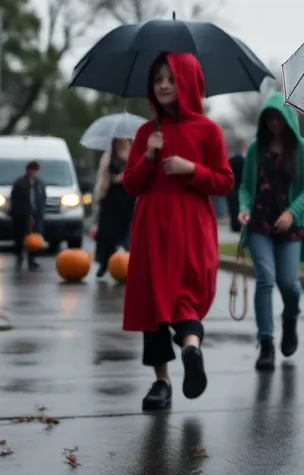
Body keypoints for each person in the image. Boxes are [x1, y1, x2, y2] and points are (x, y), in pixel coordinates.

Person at [122, 52, 235, 412]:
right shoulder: (145, 132)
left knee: (185, 292)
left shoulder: (208, 130)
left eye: (171, 77)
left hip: (190, 227)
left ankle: (190, 350)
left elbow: (224, 182)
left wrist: (192, 169)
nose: (164, 85)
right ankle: (161, 381)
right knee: (153, 300)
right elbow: (130, 184)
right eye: (158, 79)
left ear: (188, 81)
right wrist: (148, 158)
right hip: (151, 226)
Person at [236, 92, 304, 371]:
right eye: (269, 119)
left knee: (289, 285)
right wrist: (244, 207)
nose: (274, 124)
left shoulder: (302, 148)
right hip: (259, 226)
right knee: (265, 280)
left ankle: (290, 320)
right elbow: (245, 187)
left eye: (279, 118)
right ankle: (266, 342)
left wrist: (290, 213)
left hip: (288, 228)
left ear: (288, 119)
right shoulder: (256, 149)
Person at [92, 137, 135, 278]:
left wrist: (126, 176)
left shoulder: (134, 154)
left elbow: (139, 173)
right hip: (111, 197)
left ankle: (129, 264)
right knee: (107, 233)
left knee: (127, 232)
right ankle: (104, 263)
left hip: (128, 197)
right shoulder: (108, 156)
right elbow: (102, 177)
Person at [8, 161, 46, 272]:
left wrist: (39, 212)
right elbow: (15, 200)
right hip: (22, 215)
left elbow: (42, 198)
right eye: (31, 169)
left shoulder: (39, 184)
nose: (33, 172)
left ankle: (32, 259)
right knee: (20, 237)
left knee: (34, 238)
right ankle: (19, 256)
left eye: (35, 170)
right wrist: (19, 212)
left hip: (36, 215)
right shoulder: (20, 183)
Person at [227, 144, 246, 233]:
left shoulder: (232, 160)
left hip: (233, 186)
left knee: (233, 206)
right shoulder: (242, 160)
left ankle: (235, 224)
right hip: (240, 184)